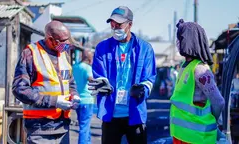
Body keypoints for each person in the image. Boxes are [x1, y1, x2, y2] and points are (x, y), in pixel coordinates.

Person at [88, 6, 156, 144]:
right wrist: (102, 83)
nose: (114, 27)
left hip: (135, 113)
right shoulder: (102, 48)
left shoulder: (145, 48)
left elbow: (149, 76)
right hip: (110, 114)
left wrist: (143, 88)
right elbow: (99, 72)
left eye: (119, 24)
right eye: (112, 24)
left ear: (130, 24)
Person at [12, 20, 80, 144]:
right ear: (50, 39)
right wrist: (54, 101)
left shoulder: (64, 54)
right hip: (40, 129)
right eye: (63, 41)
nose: (67, 44)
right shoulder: (30, 54)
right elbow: (19, 89)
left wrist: (74, 95)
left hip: (63, 127)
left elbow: (70, 83)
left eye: (67, 40)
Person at [170, 19, 225, 144]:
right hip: (181, 135)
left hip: (196, 138)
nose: (178, 42)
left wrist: (212, 121)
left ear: (189, 41)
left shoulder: (200, 69)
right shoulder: (185, 66)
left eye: (180, 38)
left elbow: (218, 102)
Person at [72, 49, 94, 144]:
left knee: (84, 125)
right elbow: (91, 79)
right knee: (84, 127)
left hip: (77, 100)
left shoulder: (75, 66)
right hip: (87, 100)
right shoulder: (87, 68)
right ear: (89, 57)